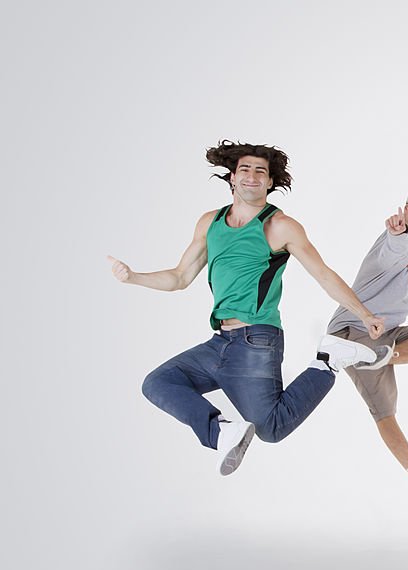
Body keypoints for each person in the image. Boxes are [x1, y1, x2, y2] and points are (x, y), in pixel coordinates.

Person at [107, 140, 384, 476]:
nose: (252, 176)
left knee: (271, 428)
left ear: (270, 182)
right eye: (245, 170)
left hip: (257, 341)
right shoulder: (210, 223)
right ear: (232, 178)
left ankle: (327, 361)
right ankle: (221, 431)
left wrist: (364, 314)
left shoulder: (278, 226)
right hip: (219, 342)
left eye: (260, 172)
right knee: (158, 383)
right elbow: (179, 278)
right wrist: (133, 277)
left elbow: (324, 275)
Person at [326, 182, 408, 506]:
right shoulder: (395, 236)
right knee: (383, 414)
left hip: (386, 335)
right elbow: (391, 255)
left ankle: (382, 358)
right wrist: (400, 237)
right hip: (353, 329)